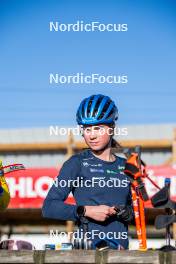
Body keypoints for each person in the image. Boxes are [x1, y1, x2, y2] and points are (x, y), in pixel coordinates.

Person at [42, 94, 134, 250]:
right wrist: (85, 211)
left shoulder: (127, 166)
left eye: (98, 128)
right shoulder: (76, 163)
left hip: (121, 255)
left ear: (112, 128)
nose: (91, 135)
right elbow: (49, 207)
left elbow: (137, 210)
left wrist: (128, 213)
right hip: (86, 255)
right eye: (87, 129)